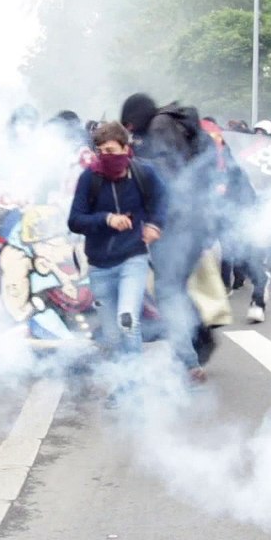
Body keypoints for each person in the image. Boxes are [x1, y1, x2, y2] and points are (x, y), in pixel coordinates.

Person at [119, 93, 217, 383]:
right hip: (194, 220)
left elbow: (165, 180)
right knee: (175, 288)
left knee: (168, 290)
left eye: (128, 124)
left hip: (177, 224)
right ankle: (197, 339)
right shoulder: (176, 124)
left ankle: (187, 361)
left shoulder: (160, 128)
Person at [68, 122, 166, 372]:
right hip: (99, 265)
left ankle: (131, 385)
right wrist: (106, 219)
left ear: (126, 148)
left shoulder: (145, 174)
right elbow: (75, 220)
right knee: (111, 335)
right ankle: (118, 380)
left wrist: (155, 225)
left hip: (133, 258)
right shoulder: (89, 178)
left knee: (127, 320)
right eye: (100, 151)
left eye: (111, 150)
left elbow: (163, 201)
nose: (105, 157)